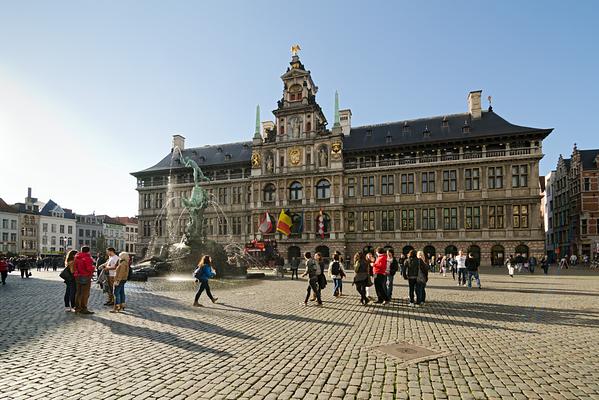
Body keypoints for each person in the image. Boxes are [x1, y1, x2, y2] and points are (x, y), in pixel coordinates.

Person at [74, 246, 95, 314]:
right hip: (85, 276)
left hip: (77, 276)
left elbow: (75, 267)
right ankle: (83, 308)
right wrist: (93, 268)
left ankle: (77, 307)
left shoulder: (76, 257)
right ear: (88, 251)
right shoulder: (87, 258)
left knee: (78, 293)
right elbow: (89, 268)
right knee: (85, 293)